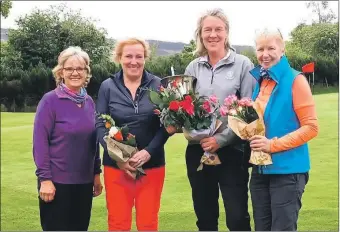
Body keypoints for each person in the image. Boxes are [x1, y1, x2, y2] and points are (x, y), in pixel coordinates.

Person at [183, 8, 255, 231]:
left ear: (226, 33)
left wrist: (221, 140)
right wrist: (190, 131)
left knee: (237, 217)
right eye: (207, 30)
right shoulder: (192, 67)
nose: (212, 35)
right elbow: (184, 108)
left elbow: (247, 113)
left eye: (218, 29)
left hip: (232, 151)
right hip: (198, 151)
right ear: (200, 34)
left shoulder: (243, 64)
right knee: (205, 218)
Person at [96, 38, 170, 231]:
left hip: (152, 166)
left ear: (145, 58)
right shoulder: (107, 86)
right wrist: (119, 158)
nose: (134, 61)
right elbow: (100, 125)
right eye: (128, 56)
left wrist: (148, 152)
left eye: (139, 56)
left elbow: (168, 124)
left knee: (148, 223)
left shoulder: (158, 84)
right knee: (118, 223)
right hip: (116, 168)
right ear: (119, 58)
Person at [248, 28, 319, 231]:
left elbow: (311, 127)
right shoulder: (261, 80)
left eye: (271, 47)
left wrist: (273, 145)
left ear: (282, 49)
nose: (265, 54)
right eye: (260, 49)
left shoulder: (296, 80)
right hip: (260, 170)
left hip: (288, 172)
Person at [32, 46, 103, 231]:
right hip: (56, 183)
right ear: (61, 72)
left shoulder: (88, 102)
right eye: (69, 68)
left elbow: (93, 142)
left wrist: (96, 174)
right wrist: (45, 180)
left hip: (84, 182)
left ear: (86, 72)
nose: (75, 73)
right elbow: (40, 143)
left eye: (80, 68)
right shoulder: (50, 101)